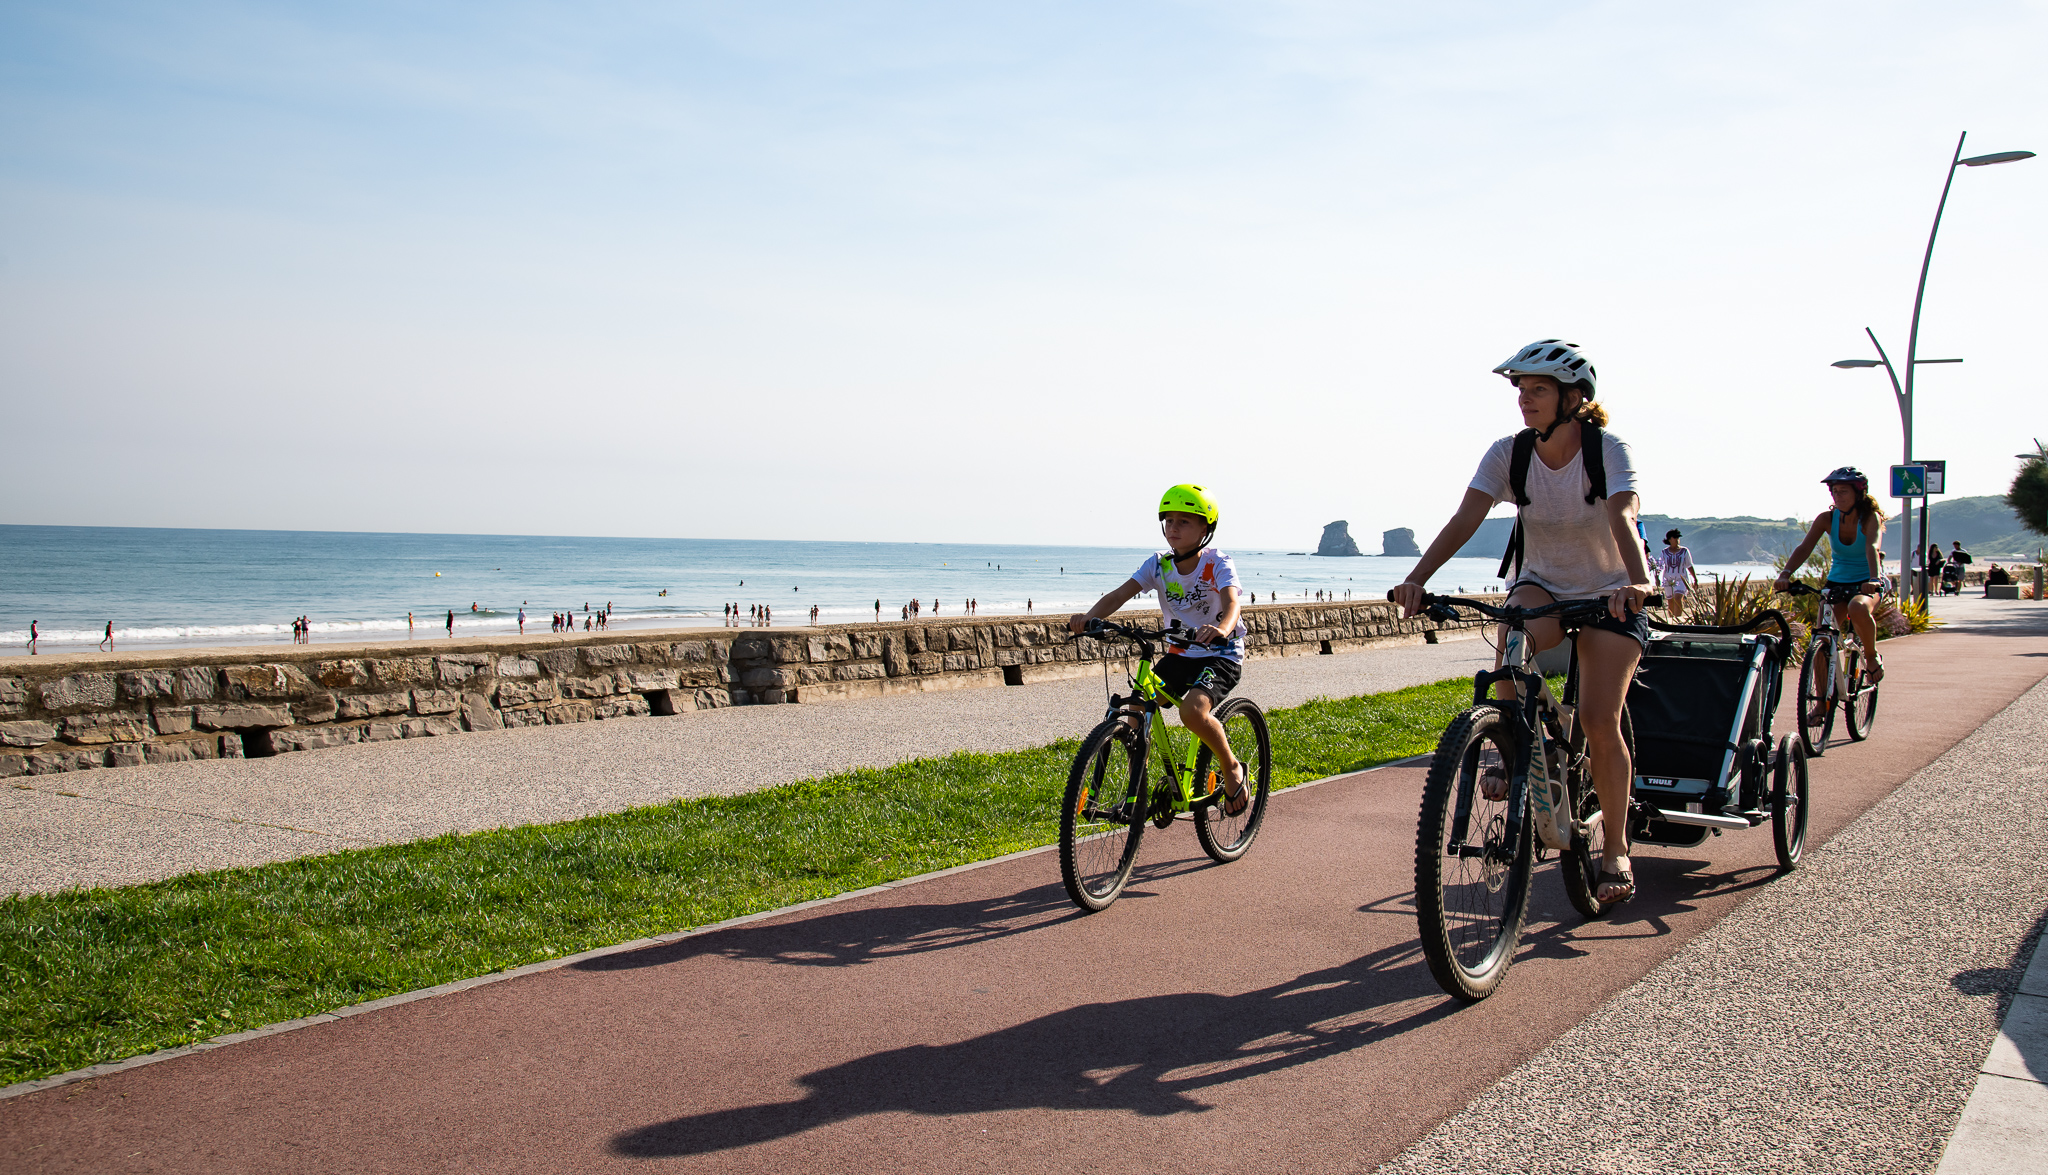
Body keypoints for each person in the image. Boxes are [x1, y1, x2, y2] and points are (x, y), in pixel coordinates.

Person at [1391, 339, 1651, 905]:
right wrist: (1417, 578)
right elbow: (1465, 518)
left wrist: (1639, 581)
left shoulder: (1607, 449)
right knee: (1510, 651)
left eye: (1538, 390)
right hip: (1545, 586)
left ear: (1574, 397)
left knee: (1601, 720)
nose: (1525, 400)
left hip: (1610, 594)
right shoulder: (1510, 453)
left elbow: (1622, 514)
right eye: (1521, 390)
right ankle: (1515, 752)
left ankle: (1616, 849)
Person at [1068, 484, 1251, 815]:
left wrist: (1222, 628)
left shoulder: (1217, 563)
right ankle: (1134, 790)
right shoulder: (1159, 565)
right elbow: (1120, 594)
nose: (1174, 528)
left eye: (1185, 521)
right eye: (1169, 520)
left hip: (1220, 654)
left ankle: (1232, 767)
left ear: (1205, 529)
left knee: (1192, 712)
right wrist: (1091, 617)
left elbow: (1232, 601)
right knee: (1136, 710)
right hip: (1180, 656)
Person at [1775, 466, 1887, 684]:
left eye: (1843, 491)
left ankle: (1872, 657)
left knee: (1858, 607)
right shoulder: (1826, 518)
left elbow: (1872, 547)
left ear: (1858, 493)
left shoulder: (1870, 517)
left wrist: (1874, 580)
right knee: (1821, 637)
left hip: (1867, 581)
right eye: (1834, 491)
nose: (1838, 496)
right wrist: (1786, 574)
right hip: (1836, 582)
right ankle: (1820, 703)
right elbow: (1804, 548)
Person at [1655, 529, 1700, 620]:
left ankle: (1678, 619)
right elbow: (1659, 566)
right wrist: (1657, 577)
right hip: (1668, 580)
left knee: (1678, 598)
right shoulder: (1664, 552)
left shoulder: (1684, 551)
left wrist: (1695, 579)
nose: (1677, 539)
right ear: (1669, 539)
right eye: (1675, 537)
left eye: (1678, 537)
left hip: (1681, 579)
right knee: (1670, 601)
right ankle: (1672, 620)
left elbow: (1689, 565)